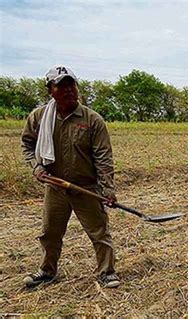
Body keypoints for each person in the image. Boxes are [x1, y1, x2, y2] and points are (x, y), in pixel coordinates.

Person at [21, 65, 120, 288]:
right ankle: (47, 271)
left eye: (71, 84)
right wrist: (36, 167)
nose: (68, 90)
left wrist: (108, 189)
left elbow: (103, 157)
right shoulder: (39, 118)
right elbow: (27, 144)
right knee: (50, 234)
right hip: (55, 187)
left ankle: (107, 272)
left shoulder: (92, 120)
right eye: (61, 85)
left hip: (86, 187)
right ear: (50, 90)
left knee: (99, 232)